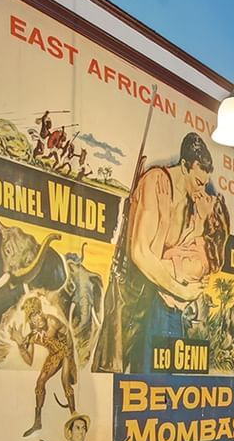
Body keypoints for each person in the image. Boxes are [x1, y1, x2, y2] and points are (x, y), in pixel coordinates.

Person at [92, 132, 220, 375]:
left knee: (157, 382)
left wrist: (201, 221)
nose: (201, 190)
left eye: (205, 184)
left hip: (159, 303)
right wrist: (180, 289)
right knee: (113, 375)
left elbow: (178, 254)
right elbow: (140, 252)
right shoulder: (156, 182)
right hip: (131, 297)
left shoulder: (191, 203)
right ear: (184, 166)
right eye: (198, 182)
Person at [15, 296, 77, 437]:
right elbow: (29, 360)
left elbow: (66, 335)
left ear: (41, 311)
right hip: (54, 355)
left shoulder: (52, 321)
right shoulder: (33, 333)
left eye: (38, 313)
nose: (37, 318)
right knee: (40, 382)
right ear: (30, 320)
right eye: (33, 316)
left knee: (65, 382)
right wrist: (20, 346)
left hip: (65, 351)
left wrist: (71, 360)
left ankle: (74, 416)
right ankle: (37, 422)